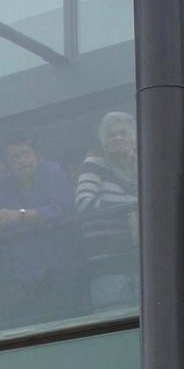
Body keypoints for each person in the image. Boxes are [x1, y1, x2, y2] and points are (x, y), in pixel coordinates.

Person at [0, 135, 74, 327]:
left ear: (35, 155)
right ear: (7, 165)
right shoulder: (4, 185)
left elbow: (61, 209)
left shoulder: (52, 171)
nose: (22, 160)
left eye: (26, 153)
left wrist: (19, 215)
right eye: (15, 157)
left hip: (57, 271)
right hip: (20, 279)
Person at [73, 113, 139, 308]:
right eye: (111, 135)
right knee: (115, 322)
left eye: (123, 133)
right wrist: (130, 209)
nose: (118, 137)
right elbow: (83, 204)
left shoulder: (144, 167)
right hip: (108, 263)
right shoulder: (94, 165)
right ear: (104, 143)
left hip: (143, 261)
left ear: (133, 140)